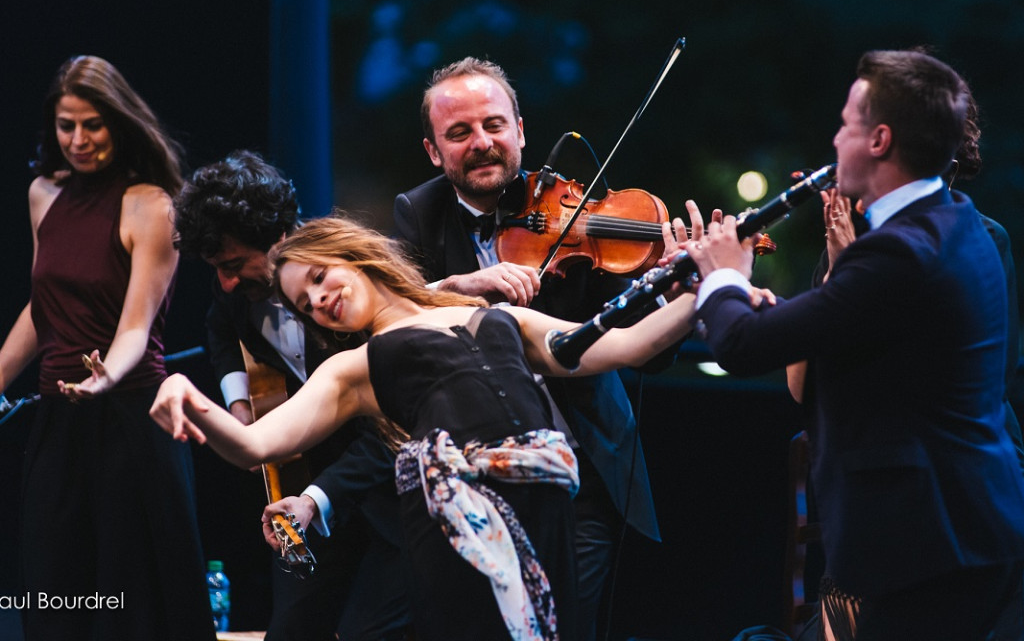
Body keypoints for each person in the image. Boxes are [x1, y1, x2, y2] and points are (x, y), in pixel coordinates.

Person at [149, 213, 706, 641]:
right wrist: (186, 393)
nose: (319, 301)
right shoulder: (351, 367)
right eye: (306, 304)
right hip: (456, 524)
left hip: (546, 508)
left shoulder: (499, 315)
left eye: (320, 279)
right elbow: (255, 445)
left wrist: (707, 286)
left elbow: (626, 345)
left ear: (354, 255)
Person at [683, 49, 1024, 640]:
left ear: (880, 139)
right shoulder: (954, 218)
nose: (835, 138)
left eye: (845, 124)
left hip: (932, 541)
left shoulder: (901, 250)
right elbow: (850, 332)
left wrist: (725, 274)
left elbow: (739, 346)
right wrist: (774, 304)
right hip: (961, 530)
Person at [393, 56, 672, 639]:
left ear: (520, 130)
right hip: (472, 474)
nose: (482, 143)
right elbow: (392, 322)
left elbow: (648, 345)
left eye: (494, 125)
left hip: (583, 470)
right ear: (432, 150)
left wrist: (670, 281)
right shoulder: (417, 214)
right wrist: (458, 289)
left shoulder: (580, 211)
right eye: (460, 132)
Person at [0, 55, 215, 640]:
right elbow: (43, 307)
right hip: (58, 418)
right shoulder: (44, 193)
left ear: (119, 122)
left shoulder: (152, 202)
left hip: (132, 416)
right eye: (66, 125)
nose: (77, 139)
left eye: (92, 124)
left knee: (131, 603)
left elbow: (135, 326)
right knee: (54, 593)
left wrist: (106, 377)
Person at [171, 150, 413, 641]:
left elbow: (390, 431)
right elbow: (220, 328)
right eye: (217, 267)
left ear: (278, 235)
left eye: (234, 264)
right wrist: (240, 406)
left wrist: (315, 498)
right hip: (313, 494)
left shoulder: (348, 292)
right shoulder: (238, 292)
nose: (226, 281)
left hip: (392, 499)